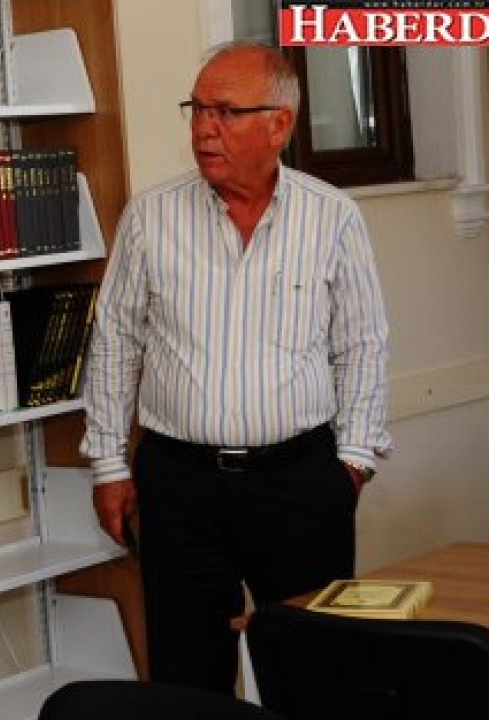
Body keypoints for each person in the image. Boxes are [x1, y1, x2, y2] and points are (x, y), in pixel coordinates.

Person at [80, 42, 392, 695]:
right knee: (188, 679)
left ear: (280, 124)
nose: (203, 128)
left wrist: (353, 463)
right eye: (196, 109)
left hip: (300, 482)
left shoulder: (332, 216)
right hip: (179, 485)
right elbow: (114, 341)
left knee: (316, 673)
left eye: (224, 111)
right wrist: (109, 464)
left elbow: (362, 344)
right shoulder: (152, 216)